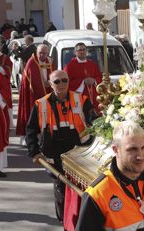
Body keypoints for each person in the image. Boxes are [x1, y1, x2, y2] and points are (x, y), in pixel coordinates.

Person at [26, 69, 95, 220]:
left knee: (82, 186)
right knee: (61, 187)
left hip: (79, 151)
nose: (61, 84)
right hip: (55, 153)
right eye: (57, 81)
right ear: (50, 84)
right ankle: (65, 218)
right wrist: (34, 151)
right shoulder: (41, 104)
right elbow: (30, 130)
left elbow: (95, 123)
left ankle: (82, 217)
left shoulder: (81, 100)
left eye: (64, 80)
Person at [16, 43, 52, 136]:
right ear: (36, 52)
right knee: (33, 115)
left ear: (47, 53)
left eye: (44, 53)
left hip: (48, 93)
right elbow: (33, 81)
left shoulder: (50, 62)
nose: (42, 55)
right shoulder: (32, 62)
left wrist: (51, 83)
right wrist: (44, 84)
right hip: (33, 95)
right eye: (40, 53)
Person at [65, 42, 103, 112]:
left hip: (94, 97)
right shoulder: (70, 66)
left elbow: (99, 77)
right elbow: (66, 82)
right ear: (75, 52)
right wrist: (83, 82)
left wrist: (94, 80)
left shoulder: (92, 64)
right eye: (80, 50)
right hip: (79, 97)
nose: (82, 52)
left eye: (84, 49)